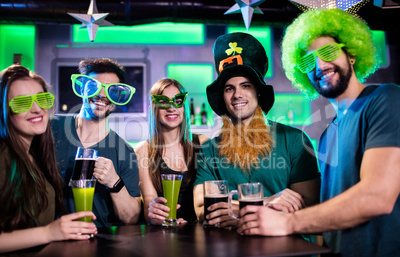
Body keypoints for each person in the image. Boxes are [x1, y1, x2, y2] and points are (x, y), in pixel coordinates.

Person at [238, 8, 400, 257]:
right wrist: (280, 202)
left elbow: (377, 197)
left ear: (351, 52)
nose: (319, 66)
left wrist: (288, 222)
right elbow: (332, 208)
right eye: (307, 62)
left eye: (327, 52)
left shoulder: (386, 99)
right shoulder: (328, 134)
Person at [193, 32, 321, 229]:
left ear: (258, 91)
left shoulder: (295, 140)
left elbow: (309, 204)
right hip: (230, 256)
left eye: (246, 85)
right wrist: (267, 203)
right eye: (229, 88)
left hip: (287, 256)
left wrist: (233, 210)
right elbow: (203, 209)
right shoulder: (209, 150)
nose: (237, 95)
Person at [0, 65, 97, 257]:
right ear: (4, 110)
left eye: (42, 99)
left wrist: (65, 230)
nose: (37, 109)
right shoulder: (3, 156)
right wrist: (49, 232)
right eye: (22, 102)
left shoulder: (35, 154)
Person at [51, 58, 141, 227]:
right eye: (94, 86)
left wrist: (114, 181)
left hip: (98, 242)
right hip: (50, 239)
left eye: (111, 91)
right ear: (83, 88)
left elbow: (131, 218)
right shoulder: (51, 128)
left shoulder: (125, 152)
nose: (101, 95)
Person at [135, 78, 209, 225]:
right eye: (163, 102)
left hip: (201, 231)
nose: (171, 108)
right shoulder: (144, 151)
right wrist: (154, 212)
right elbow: (148, 204)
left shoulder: (202, 143)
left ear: (184, 107)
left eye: (178, 101)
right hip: (166, 230)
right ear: (154, 107)